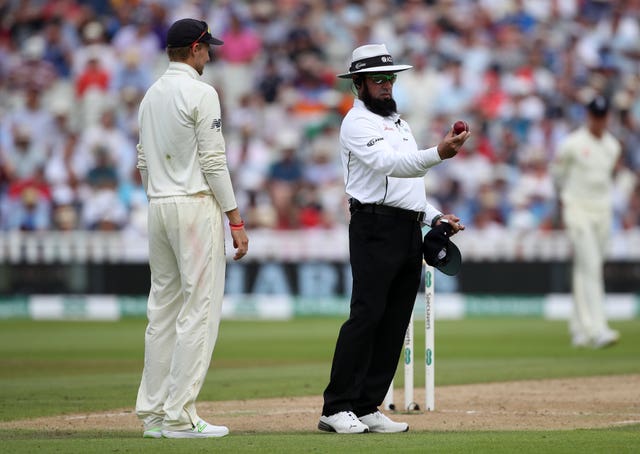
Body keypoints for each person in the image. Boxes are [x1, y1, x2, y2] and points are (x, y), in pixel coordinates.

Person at [319, 44, 469, 434]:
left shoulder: (398, 123)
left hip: (405, 229)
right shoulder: (356, 123)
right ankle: (335, 407)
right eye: (378, 79)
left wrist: (434, 216)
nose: (387, 86)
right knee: (366, 316)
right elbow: (390, 166)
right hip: (372, 227)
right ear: (358, 83)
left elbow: (408, 184)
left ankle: (367, 404)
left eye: (390, 78)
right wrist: (439, 151)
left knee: (394, 320)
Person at [135, 18, 249, 439]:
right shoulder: (201, 92)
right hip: (194, 204)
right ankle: (180, 416)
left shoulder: (150, 95)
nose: (212, 54)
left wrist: (160, 194)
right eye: (208, 48)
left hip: (158, 205)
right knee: (198, 309)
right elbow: (214, 162)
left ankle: (153, 414)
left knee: (162, 309)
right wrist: (234, 218)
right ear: (195, 49)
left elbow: (143, 160)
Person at [551, 95, 621, 349]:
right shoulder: (571, 144)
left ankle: (578, 328)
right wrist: (567, 202)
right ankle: (598, 329)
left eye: (604, 117)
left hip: (603, 212)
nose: (600, 122)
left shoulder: (613, 146)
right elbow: (557, 176)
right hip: (577, 210)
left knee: (585, 268)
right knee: (591, 266)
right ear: (588, 116)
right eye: (596, 117)